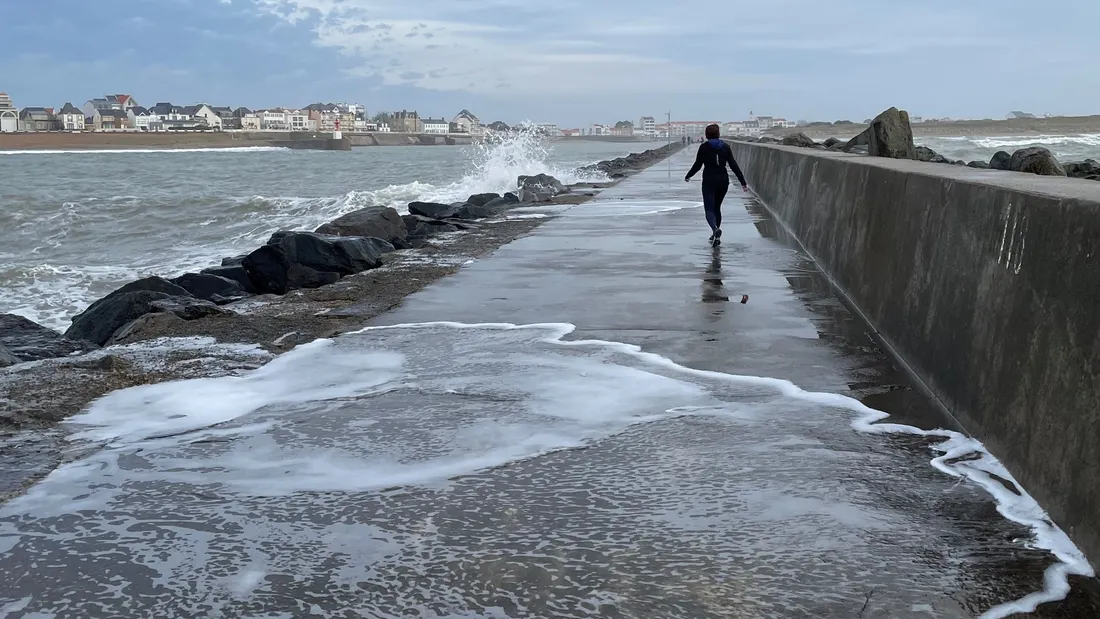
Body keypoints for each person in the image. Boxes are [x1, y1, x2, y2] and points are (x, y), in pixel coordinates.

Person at [684, 124, 747, 246]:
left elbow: (698, 165)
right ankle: (716, 236)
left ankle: (714, 229)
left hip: (709, 180)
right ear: (718, 134)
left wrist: (688, 175)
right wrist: (743, 182)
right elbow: (734, 165)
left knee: (709, 208)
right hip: (723, 181)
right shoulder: (725, 147)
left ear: (707, 134)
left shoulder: (704, 147)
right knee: (717, 207)